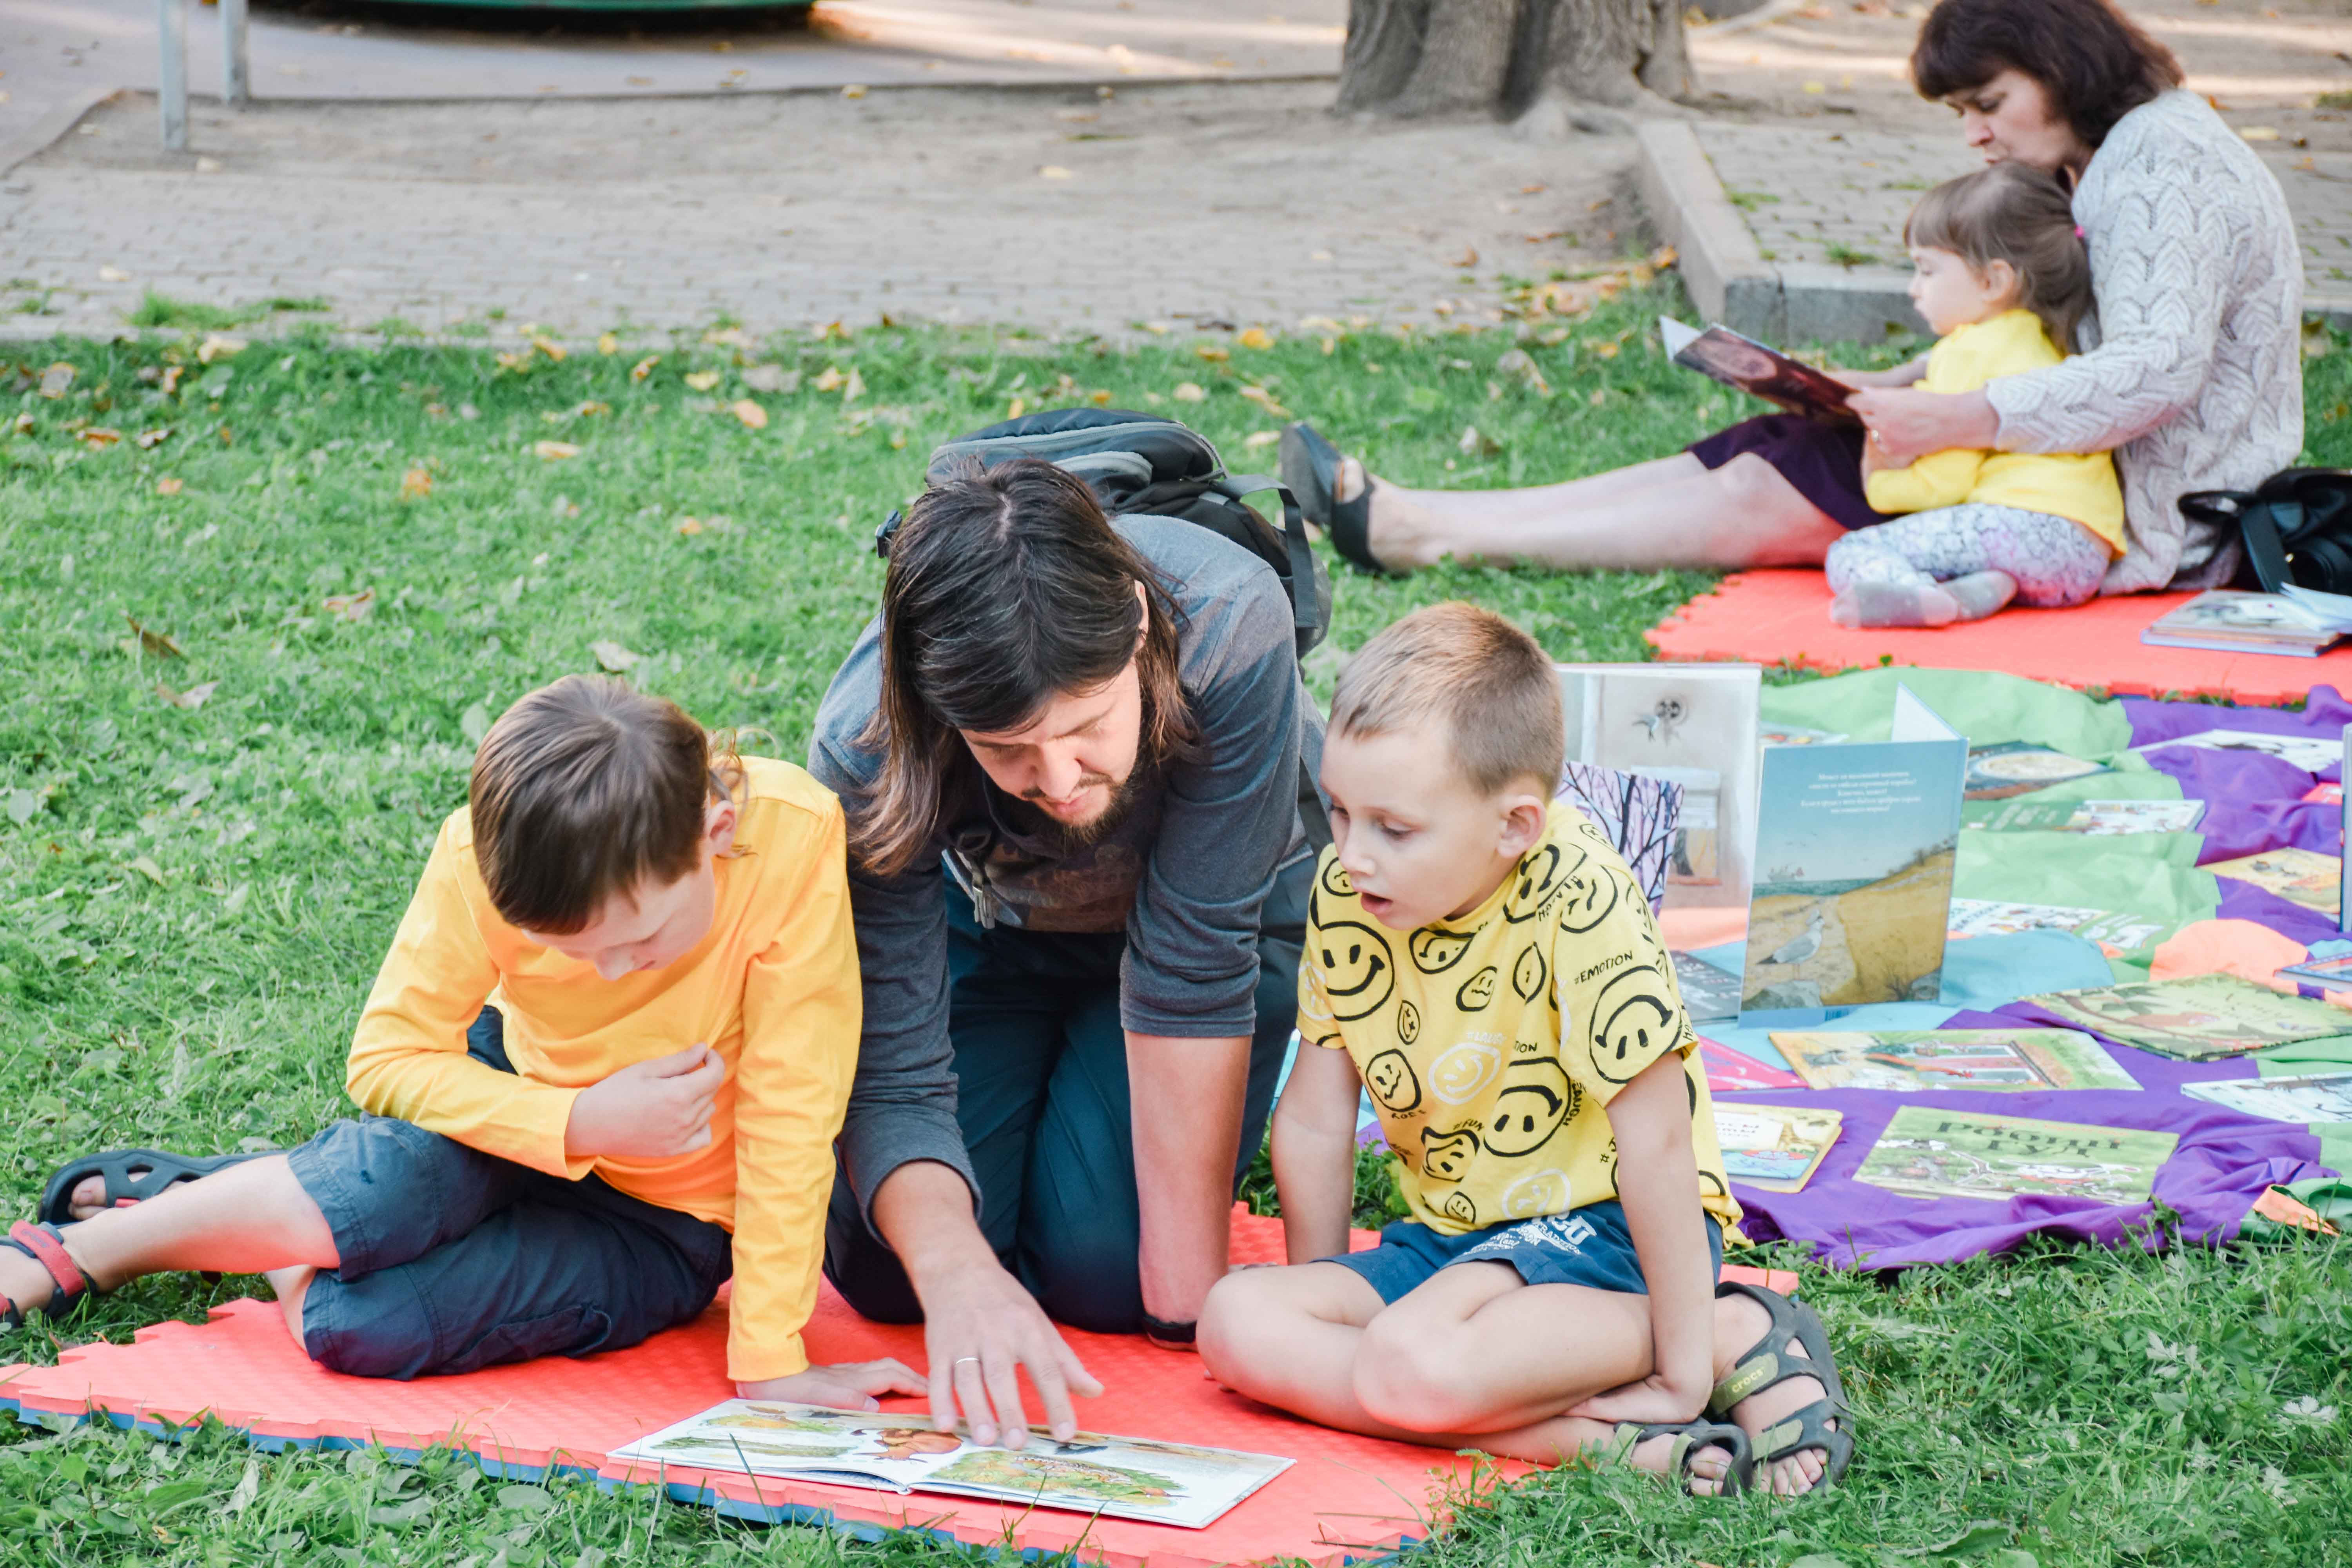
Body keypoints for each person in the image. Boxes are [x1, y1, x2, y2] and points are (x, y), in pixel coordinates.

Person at [3, 677, 911, 1407]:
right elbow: (388, 1056)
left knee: (358, 1325)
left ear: (715, 834)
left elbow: (795, 1107)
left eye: (637, 940)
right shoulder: (488, 851)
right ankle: (96, 1249)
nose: (608, 973)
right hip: (509, 1095)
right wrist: (581, 1120)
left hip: (668, 1221)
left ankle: (271, 1218)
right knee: (387, 1192)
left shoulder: (792, 838)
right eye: (572, 950)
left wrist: (769, 1357)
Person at [1280, 0, 2299, 594]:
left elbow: (2158, 371)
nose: (1977, 136)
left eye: (1988, 104)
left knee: (1776, 484)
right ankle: (1427, 517)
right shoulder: (2113, 153)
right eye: (1964, 113)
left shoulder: (2163, 165)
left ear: (2064, 70)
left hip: (2134, 514)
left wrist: (1951, 415)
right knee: (1770, 444)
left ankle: (1423, 530)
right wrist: (1896, 381)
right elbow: (2040, 333)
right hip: (2048, 455)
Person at [1196, 603, 1851, 1497]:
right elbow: (1313, 1120)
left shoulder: (1582, 898)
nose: (1352, 856)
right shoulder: (1351, 891)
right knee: (1235, 1321)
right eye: (1339, 812)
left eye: (1393, 828)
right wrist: (1328, 1296)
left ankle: (1722, 1330)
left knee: (1403, 1364)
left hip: (1605, 1236)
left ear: (1514, 826)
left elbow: (1659, 1143)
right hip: (1451, 1246)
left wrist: (1680, 1369)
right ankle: (1587, 1434)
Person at [808, 456, 1319, 1448]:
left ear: (1139, 627)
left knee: (1113, 1275)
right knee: (892, 1271)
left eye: (1088, 726)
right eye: (1004, 748)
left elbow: (1196, 961)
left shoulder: (1229, 620)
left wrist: (1181, 1325)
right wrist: (956, 1270)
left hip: (1203, 929)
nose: (1057, 780)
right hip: (996, 924)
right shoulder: (865, 739)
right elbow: (892, 1054)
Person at [1828, 162, 2125, 627]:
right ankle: (1984, 589)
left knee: (1853, 549)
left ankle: (1920, 596)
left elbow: (1947, 482)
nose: (1914, 290)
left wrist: (1878, 482)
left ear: (1993, 282)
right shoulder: (2047, 339)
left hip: (2021, 527)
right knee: (1972, 551)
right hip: (2088, 556)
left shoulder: (1968, 350)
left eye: (1927, 271)